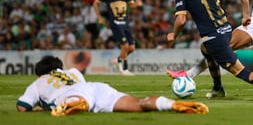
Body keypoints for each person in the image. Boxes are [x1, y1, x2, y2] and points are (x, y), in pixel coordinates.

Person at [16, 55, 208, 116]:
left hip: (74, 95)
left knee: (79, 102)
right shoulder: (72, 71)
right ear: (59, 68)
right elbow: (82, 87)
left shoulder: (38, 82)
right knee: (139, 104)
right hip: (97, 88)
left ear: (40, 73)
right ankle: (171, 104)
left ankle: (73, 106)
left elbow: (22, 107)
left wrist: (40, 107)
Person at [93, 0, 142, 75]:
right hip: (115, 23)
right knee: (124, 46)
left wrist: (137, 4)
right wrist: (100, 18)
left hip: (125, 23)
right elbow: (96, 3)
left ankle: (119, 60)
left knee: (132, 47)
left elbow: (131, 5)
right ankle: (124, 69)